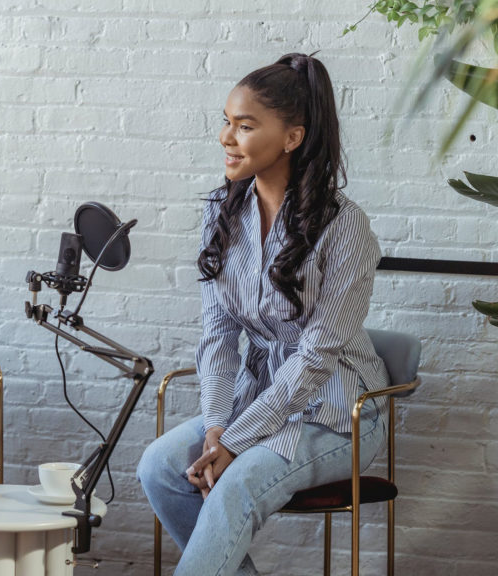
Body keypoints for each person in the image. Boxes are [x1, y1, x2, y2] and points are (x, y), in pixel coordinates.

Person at [137, 53, 390, 576]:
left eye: (245, 125)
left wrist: (233, 440)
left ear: (292, 138)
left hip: (339, 413)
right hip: (259, 400)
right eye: (226, 122)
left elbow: (316, 356)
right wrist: (215, 426)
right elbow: (218, 335)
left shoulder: (346, 227)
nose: (227, 137)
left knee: (235, 483)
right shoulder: (222, 209)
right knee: (161, 467)